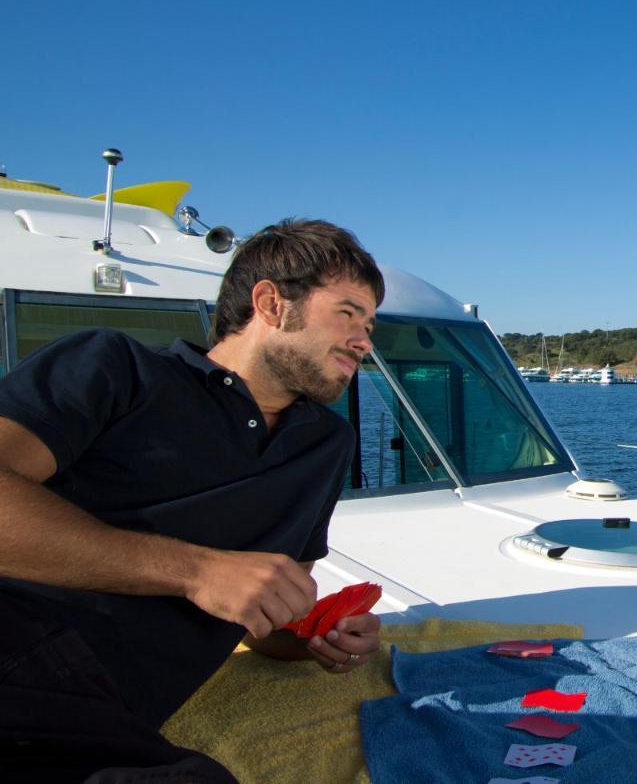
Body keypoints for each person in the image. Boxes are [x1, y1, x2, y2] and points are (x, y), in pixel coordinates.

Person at [0, 218, 386, 782]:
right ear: (271, 303)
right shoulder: (118, 369)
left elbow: (265, 620)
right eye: (349, 313)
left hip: (96, 717)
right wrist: (197, 570)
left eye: (370, 324)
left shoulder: (327, 445)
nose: (365, 340)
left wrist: (314, 636)